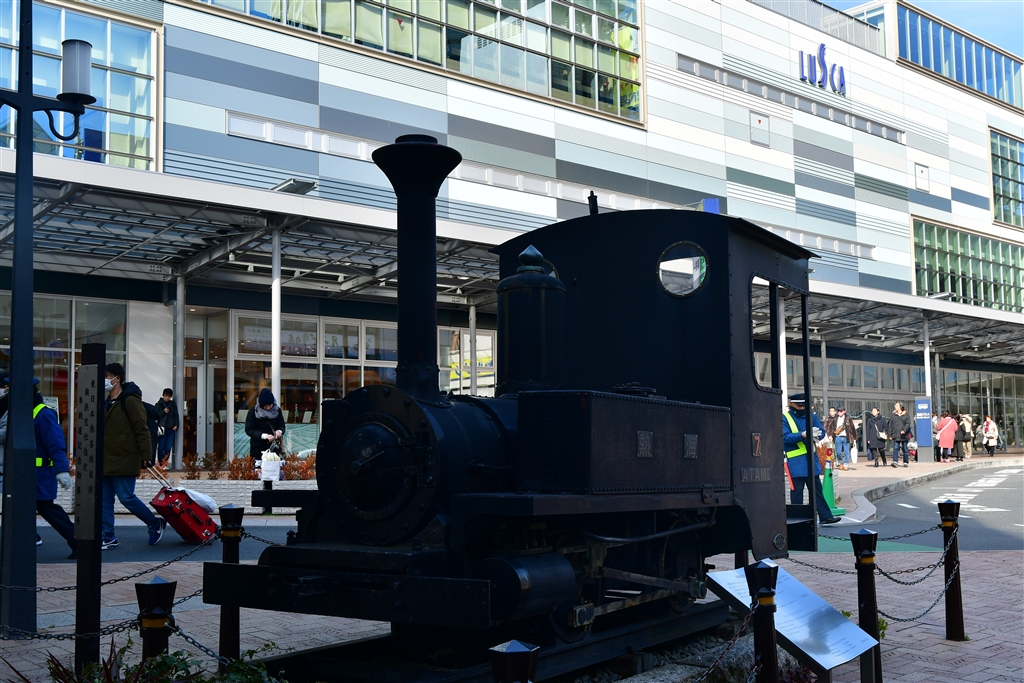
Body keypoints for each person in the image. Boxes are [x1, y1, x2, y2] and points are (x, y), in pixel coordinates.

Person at [102, 363, 165, 549]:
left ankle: (154, 523)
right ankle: (108, 536)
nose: (105, 380)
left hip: (125, 457)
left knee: (126, 497)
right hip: (106, 459)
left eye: (107, 376)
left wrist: (147, 455)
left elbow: (141, 429)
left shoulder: (130, 401)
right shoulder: (107, 403)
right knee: (105, 500)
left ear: (117, 378)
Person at [28, 378, 78, 559]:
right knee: (30, 507)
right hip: (28, 473)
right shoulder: (24, 411)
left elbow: (56, 444)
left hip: (40, 474)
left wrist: (62, 470)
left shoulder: (43, 414)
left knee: (46, 507)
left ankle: (77, 540)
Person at [782, 393, 840, 525]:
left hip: (810, 461)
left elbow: (821, 432)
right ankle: (797, 520)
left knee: (817, 491)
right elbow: (785, 438)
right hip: (796, 463)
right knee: (797, 494)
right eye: (799, 405)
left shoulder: (811, 416)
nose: (802, 408)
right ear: (791, 404)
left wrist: (817, 436)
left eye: (804, 405)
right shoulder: (785, 418)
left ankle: (826, 517)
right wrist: (802, 435)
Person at [245, 388, 285, 461]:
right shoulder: (253, 411)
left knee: (274, 466)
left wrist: (279, 431)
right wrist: (264, 436)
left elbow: (282, 426)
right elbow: (249, 429)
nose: (268, 408)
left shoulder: (277, 410)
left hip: (274, 446)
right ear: (261, 405)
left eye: (270, 405)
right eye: (265, 406)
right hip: (257, 447)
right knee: (257, 466)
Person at [825, 406, 857, 471]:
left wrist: (854, 437)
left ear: (844, 411)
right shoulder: (835, 418)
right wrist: (830, 435)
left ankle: (846, 464)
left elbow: (852, 427)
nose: (839, 412)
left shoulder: (848, 418)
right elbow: (831, 427)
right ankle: (840, 462)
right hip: (838, 437)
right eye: (838, 411)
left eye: (841, 411)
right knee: (838, 452)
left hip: (846, 437)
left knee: (846, 452)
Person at [155, 388, 179, 466]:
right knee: (161, 446)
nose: (167, 398)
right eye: (166, 396)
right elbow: (156, 416)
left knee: (168, 447)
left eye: (169, 396)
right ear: (163, 395)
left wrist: (176, 424)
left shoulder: (173, 405)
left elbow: (176, 415)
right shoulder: (159, 405)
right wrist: (164, 412)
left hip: (171, 428)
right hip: (162, 428)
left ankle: (164, 463)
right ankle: (161, 463)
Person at [888, 402, 912, 468]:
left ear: (900, 406)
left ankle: (905, 462)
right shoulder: (893, 415)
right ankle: (895, 461)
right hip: (895, 434)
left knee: (905, 449)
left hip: (904, 435)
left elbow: (908, 424)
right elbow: (890, 425)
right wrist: (890, 434)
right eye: (895, 405)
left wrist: (904, 430)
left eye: (897, 405)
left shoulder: (906, 414)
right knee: (895, 448)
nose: (895, 406)